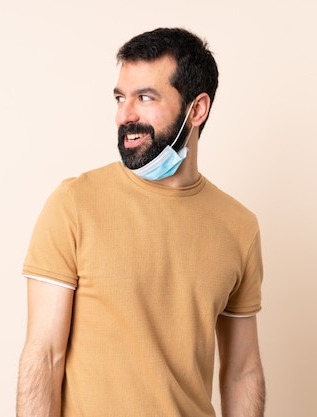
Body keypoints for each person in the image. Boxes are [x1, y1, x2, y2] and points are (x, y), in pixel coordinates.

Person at [17, 27, 265, 417]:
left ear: (196, 109)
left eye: (145, 97)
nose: (124, 115)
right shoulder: (74, 204)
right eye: (120, 98)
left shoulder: (239, 226)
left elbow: (242, 370)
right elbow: (44, 356)